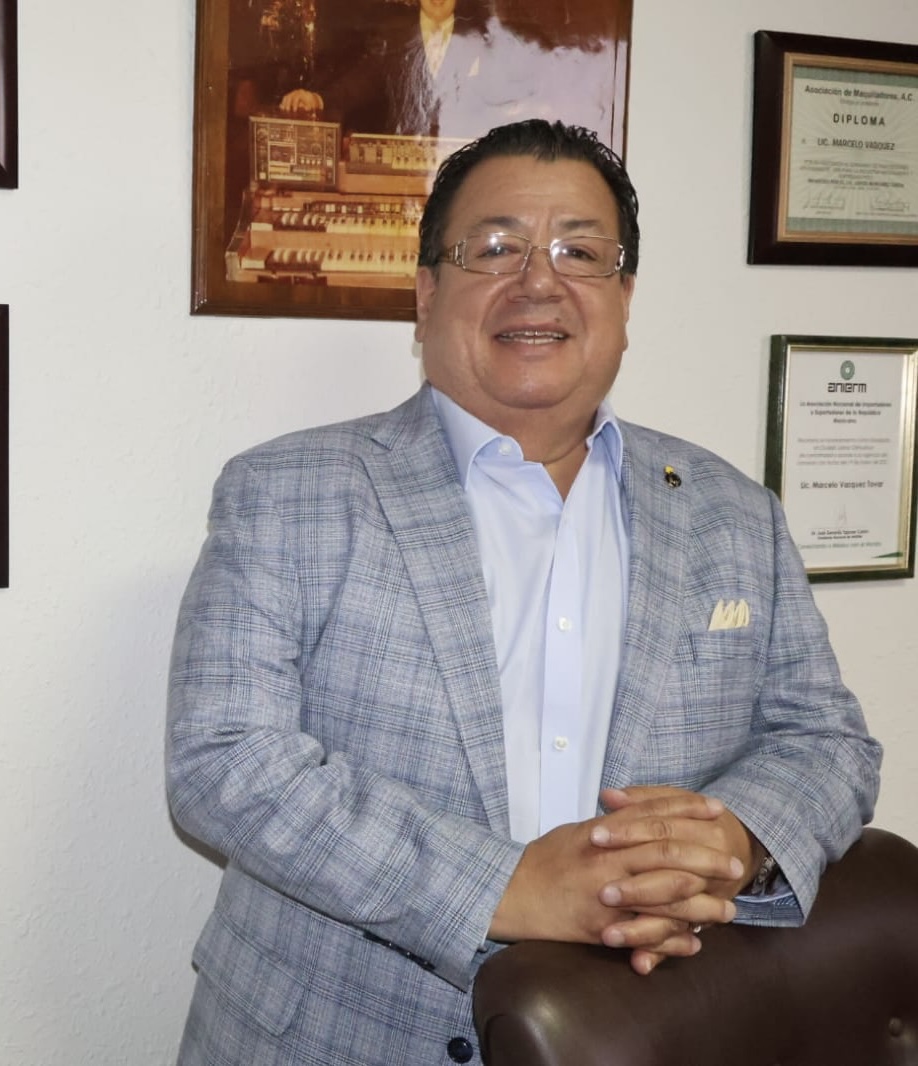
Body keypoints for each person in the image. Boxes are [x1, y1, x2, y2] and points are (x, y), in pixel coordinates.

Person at [166, 119, 882, 1066]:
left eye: (580, 253)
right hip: (327, 1036)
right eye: (496, 247)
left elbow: (826, 741)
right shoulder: (289, 490)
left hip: (644, 1031)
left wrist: (730, 842)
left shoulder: (732, 510)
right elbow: (223, 759)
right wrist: (505, 887)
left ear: (624, 298)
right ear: (427, 294)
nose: (539, 281)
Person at [279, 0, 494, 137]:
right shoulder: (394, 37)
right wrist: (317, 99)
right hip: (402, 174)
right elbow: (360, 82)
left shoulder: (481, 40)